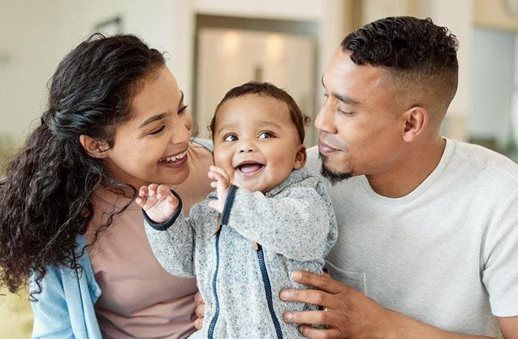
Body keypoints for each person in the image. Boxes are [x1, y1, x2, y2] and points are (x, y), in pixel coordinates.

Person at [276, 16, 518, 338]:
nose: (322, 121)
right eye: (326, 97)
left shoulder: (502, 198)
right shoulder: (304, 177)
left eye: (345, 110)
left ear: (410, 124)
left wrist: (381, 326)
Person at [0, 34, 214, 338]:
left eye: (181, 109)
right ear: (97, 145)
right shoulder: (62, 221)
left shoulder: (230, 170)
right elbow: (56, 333)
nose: (183, 135)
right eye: (156, 129)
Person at [137, 82, 338, 338]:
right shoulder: (210, 210)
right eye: (230, 138)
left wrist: (236, 205)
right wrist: (165, 221)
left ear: (298, 156)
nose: (246, 146)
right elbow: (184, 263)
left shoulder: (304, 199)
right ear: (215, 156)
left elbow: (302, 237)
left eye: (265, 135)